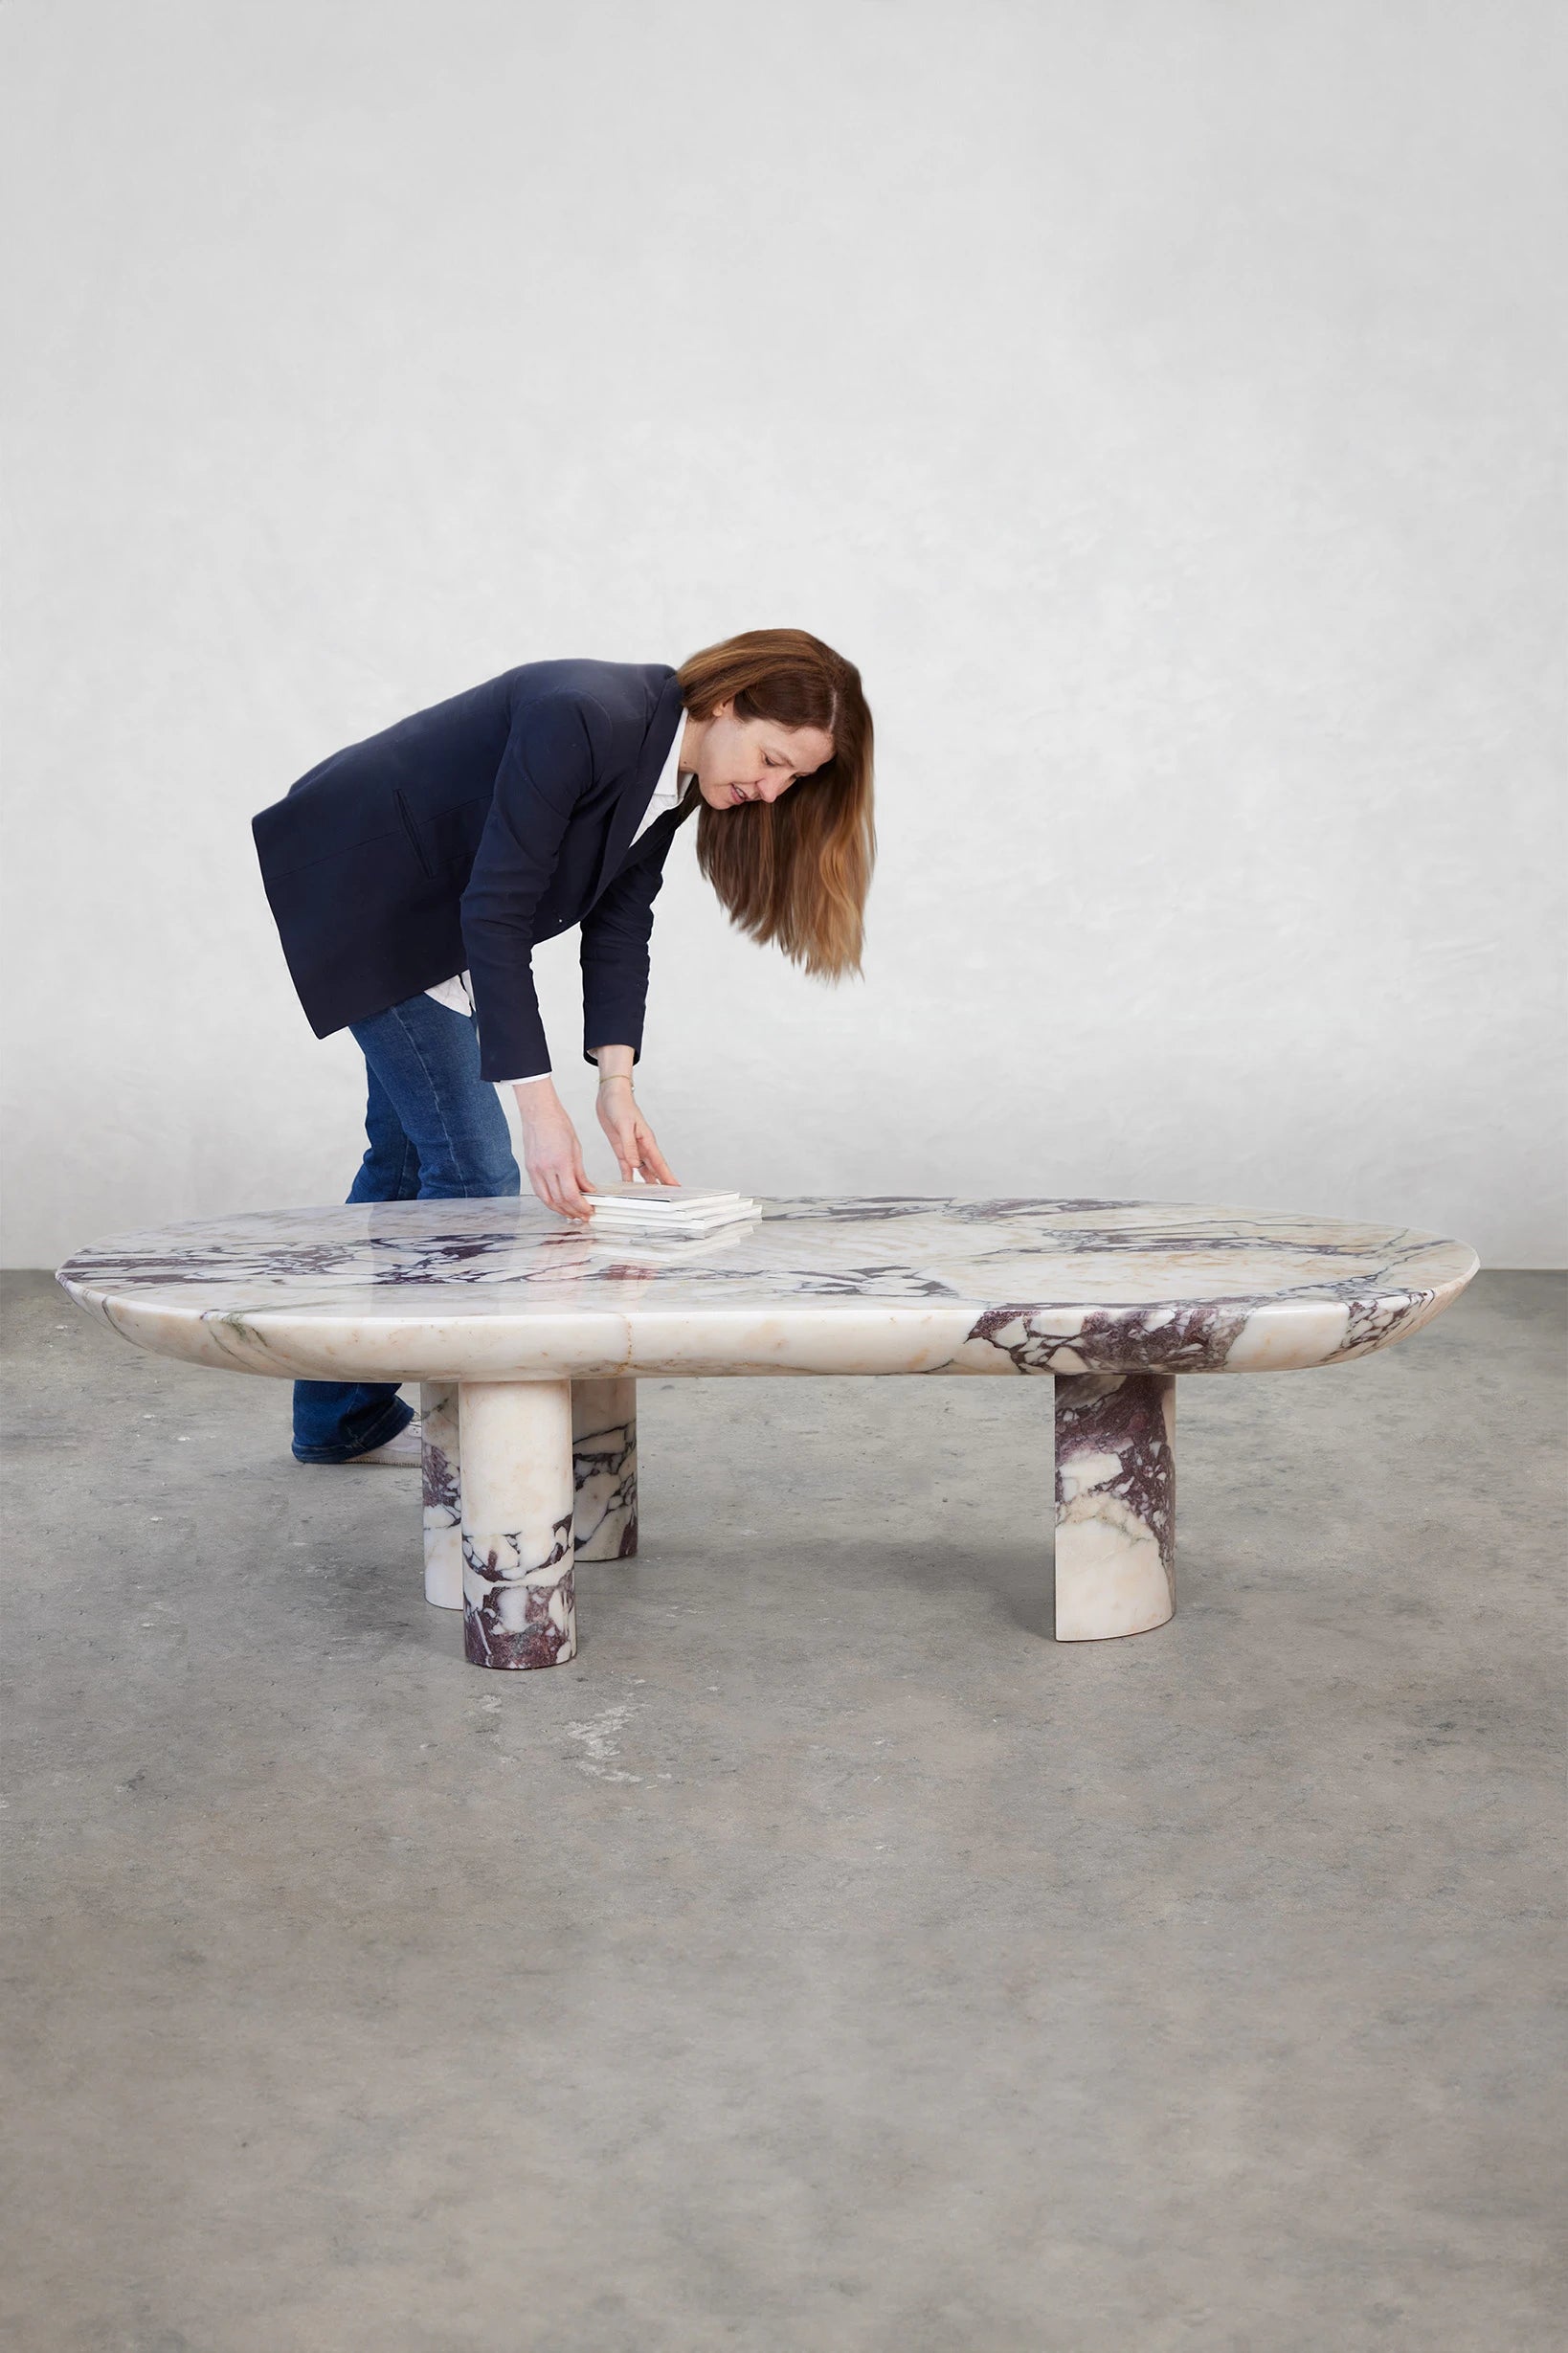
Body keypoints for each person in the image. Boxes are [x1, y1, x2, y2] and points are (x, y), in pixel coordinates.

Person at [250, 625, 876, 1466]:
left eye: (792, 779)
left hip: (438, 907)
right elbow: (498, 909)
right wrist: (540, 1107)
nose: (771, 789)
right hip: (370, 894)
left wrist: (615, 1084)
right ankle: (480, 1426)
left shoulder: (676, 774)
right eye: (771, 759)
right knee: (475, 1172)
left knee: (405, 1166)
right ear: (728, 702)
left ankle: (340, 1420)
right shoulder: (583, 714)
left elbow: (620, 921)